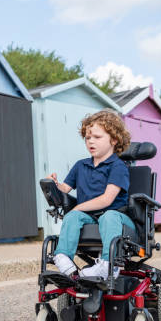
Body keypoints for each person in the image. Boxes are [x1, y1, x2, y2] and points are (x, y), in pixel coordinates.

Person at [48, 110, 133, 280]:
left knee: (106, 216)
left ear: (114, 140)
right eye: (88, 138)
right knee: (72, 217)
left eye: (97, 137)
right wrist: (55, 185)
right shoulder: (81, 165)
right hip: (90, 218)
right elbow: (65, 188)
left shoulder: (117, 166)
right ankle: (64, 258)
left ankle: (109, 264)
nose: (91, 141)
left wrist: (78, 207)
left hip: (118, 217)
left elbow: (107, 199)